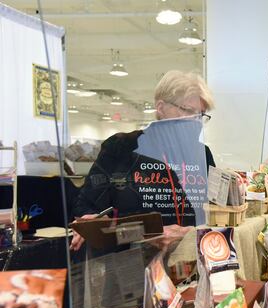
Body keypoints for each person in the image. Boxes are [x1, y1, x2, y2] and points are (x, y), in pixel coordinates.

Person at [71, 70, 216, 251]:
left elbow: (215, 216)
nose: (196, 122)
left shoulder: (202, 154)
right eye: (188, 111)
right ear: (161, 108)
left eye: (201, 115)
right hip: (132, 264)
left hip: (190, 262)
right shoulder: (122, 148)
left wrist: (189, 234)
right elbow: (86, 207)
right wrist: (142, 234)